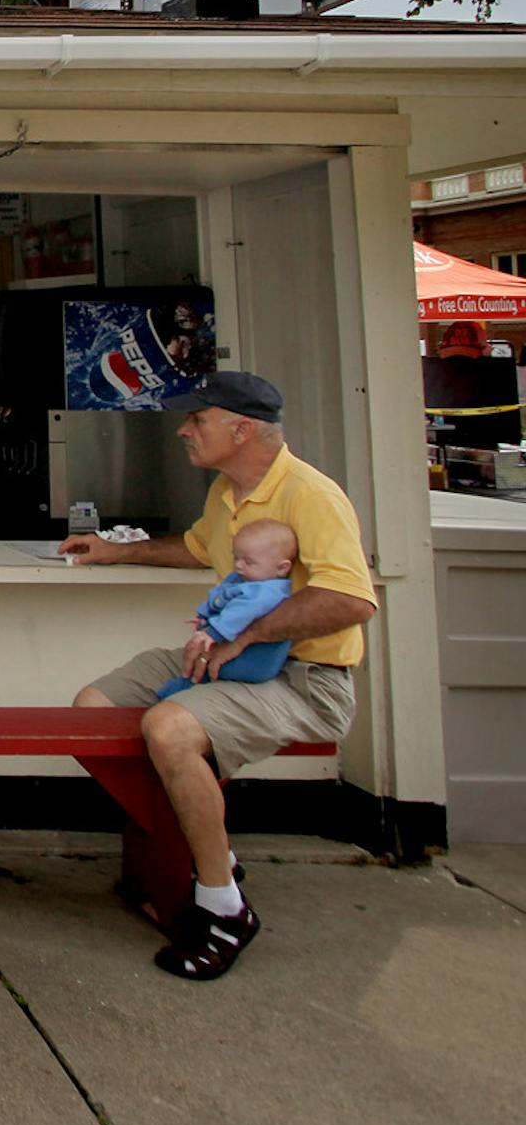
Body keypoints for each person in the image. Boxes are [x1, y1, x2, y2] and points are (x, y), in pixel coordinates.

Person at [65, 371, 377, 981]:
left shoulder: (312, 494)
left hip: (305, 679)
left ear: (242, 428)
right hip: (222, 661)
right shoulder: (228, 494)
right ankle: (196, 857)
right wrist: (114, 549)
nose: (183, 430)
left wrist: (247, 636)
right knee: (92, 707)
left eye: (197, 419)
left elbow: (352, 599)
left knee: (170, 729)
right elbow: (198, 548)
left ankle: (223, 909)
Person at [157, 520, 299, 699]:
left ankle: (184, 690)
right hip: (237, 653)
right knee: (200, 664)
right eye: (236, 558)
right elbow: (221, 597)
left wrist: (214, 632)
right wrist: (205, 616)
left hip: (255, 662)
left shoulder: (268, 592)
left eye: (248, 561)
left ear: (282, 568)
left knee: (202, 671)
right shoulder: (244, 579)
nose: (239, 565)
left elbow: (241, 612)